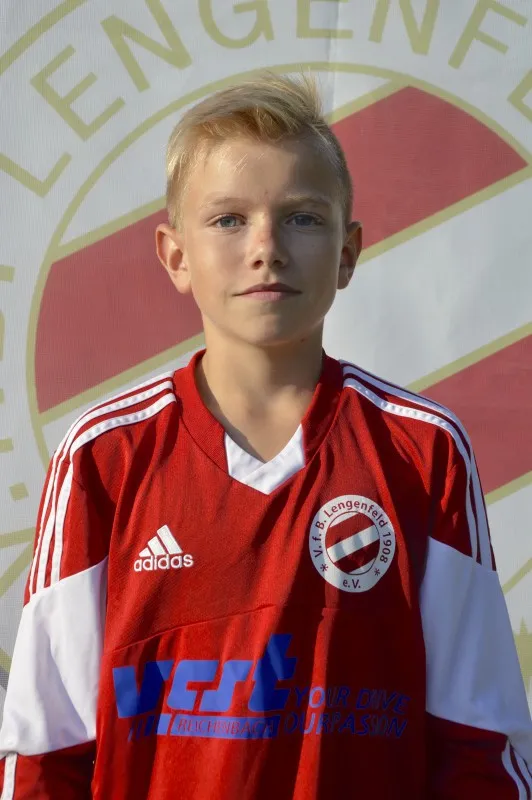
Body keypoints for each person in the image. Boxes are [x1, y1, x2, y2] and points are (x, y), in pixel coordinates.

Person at [0, 72, 531, 800]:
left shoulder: (423, 450)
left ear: (347, 253)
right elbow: (45, 754)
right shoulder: (104, 455)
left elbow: (479, 747)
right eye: (228, 220)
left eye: (302, 218)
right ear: (175, 255)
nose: (267, 248)